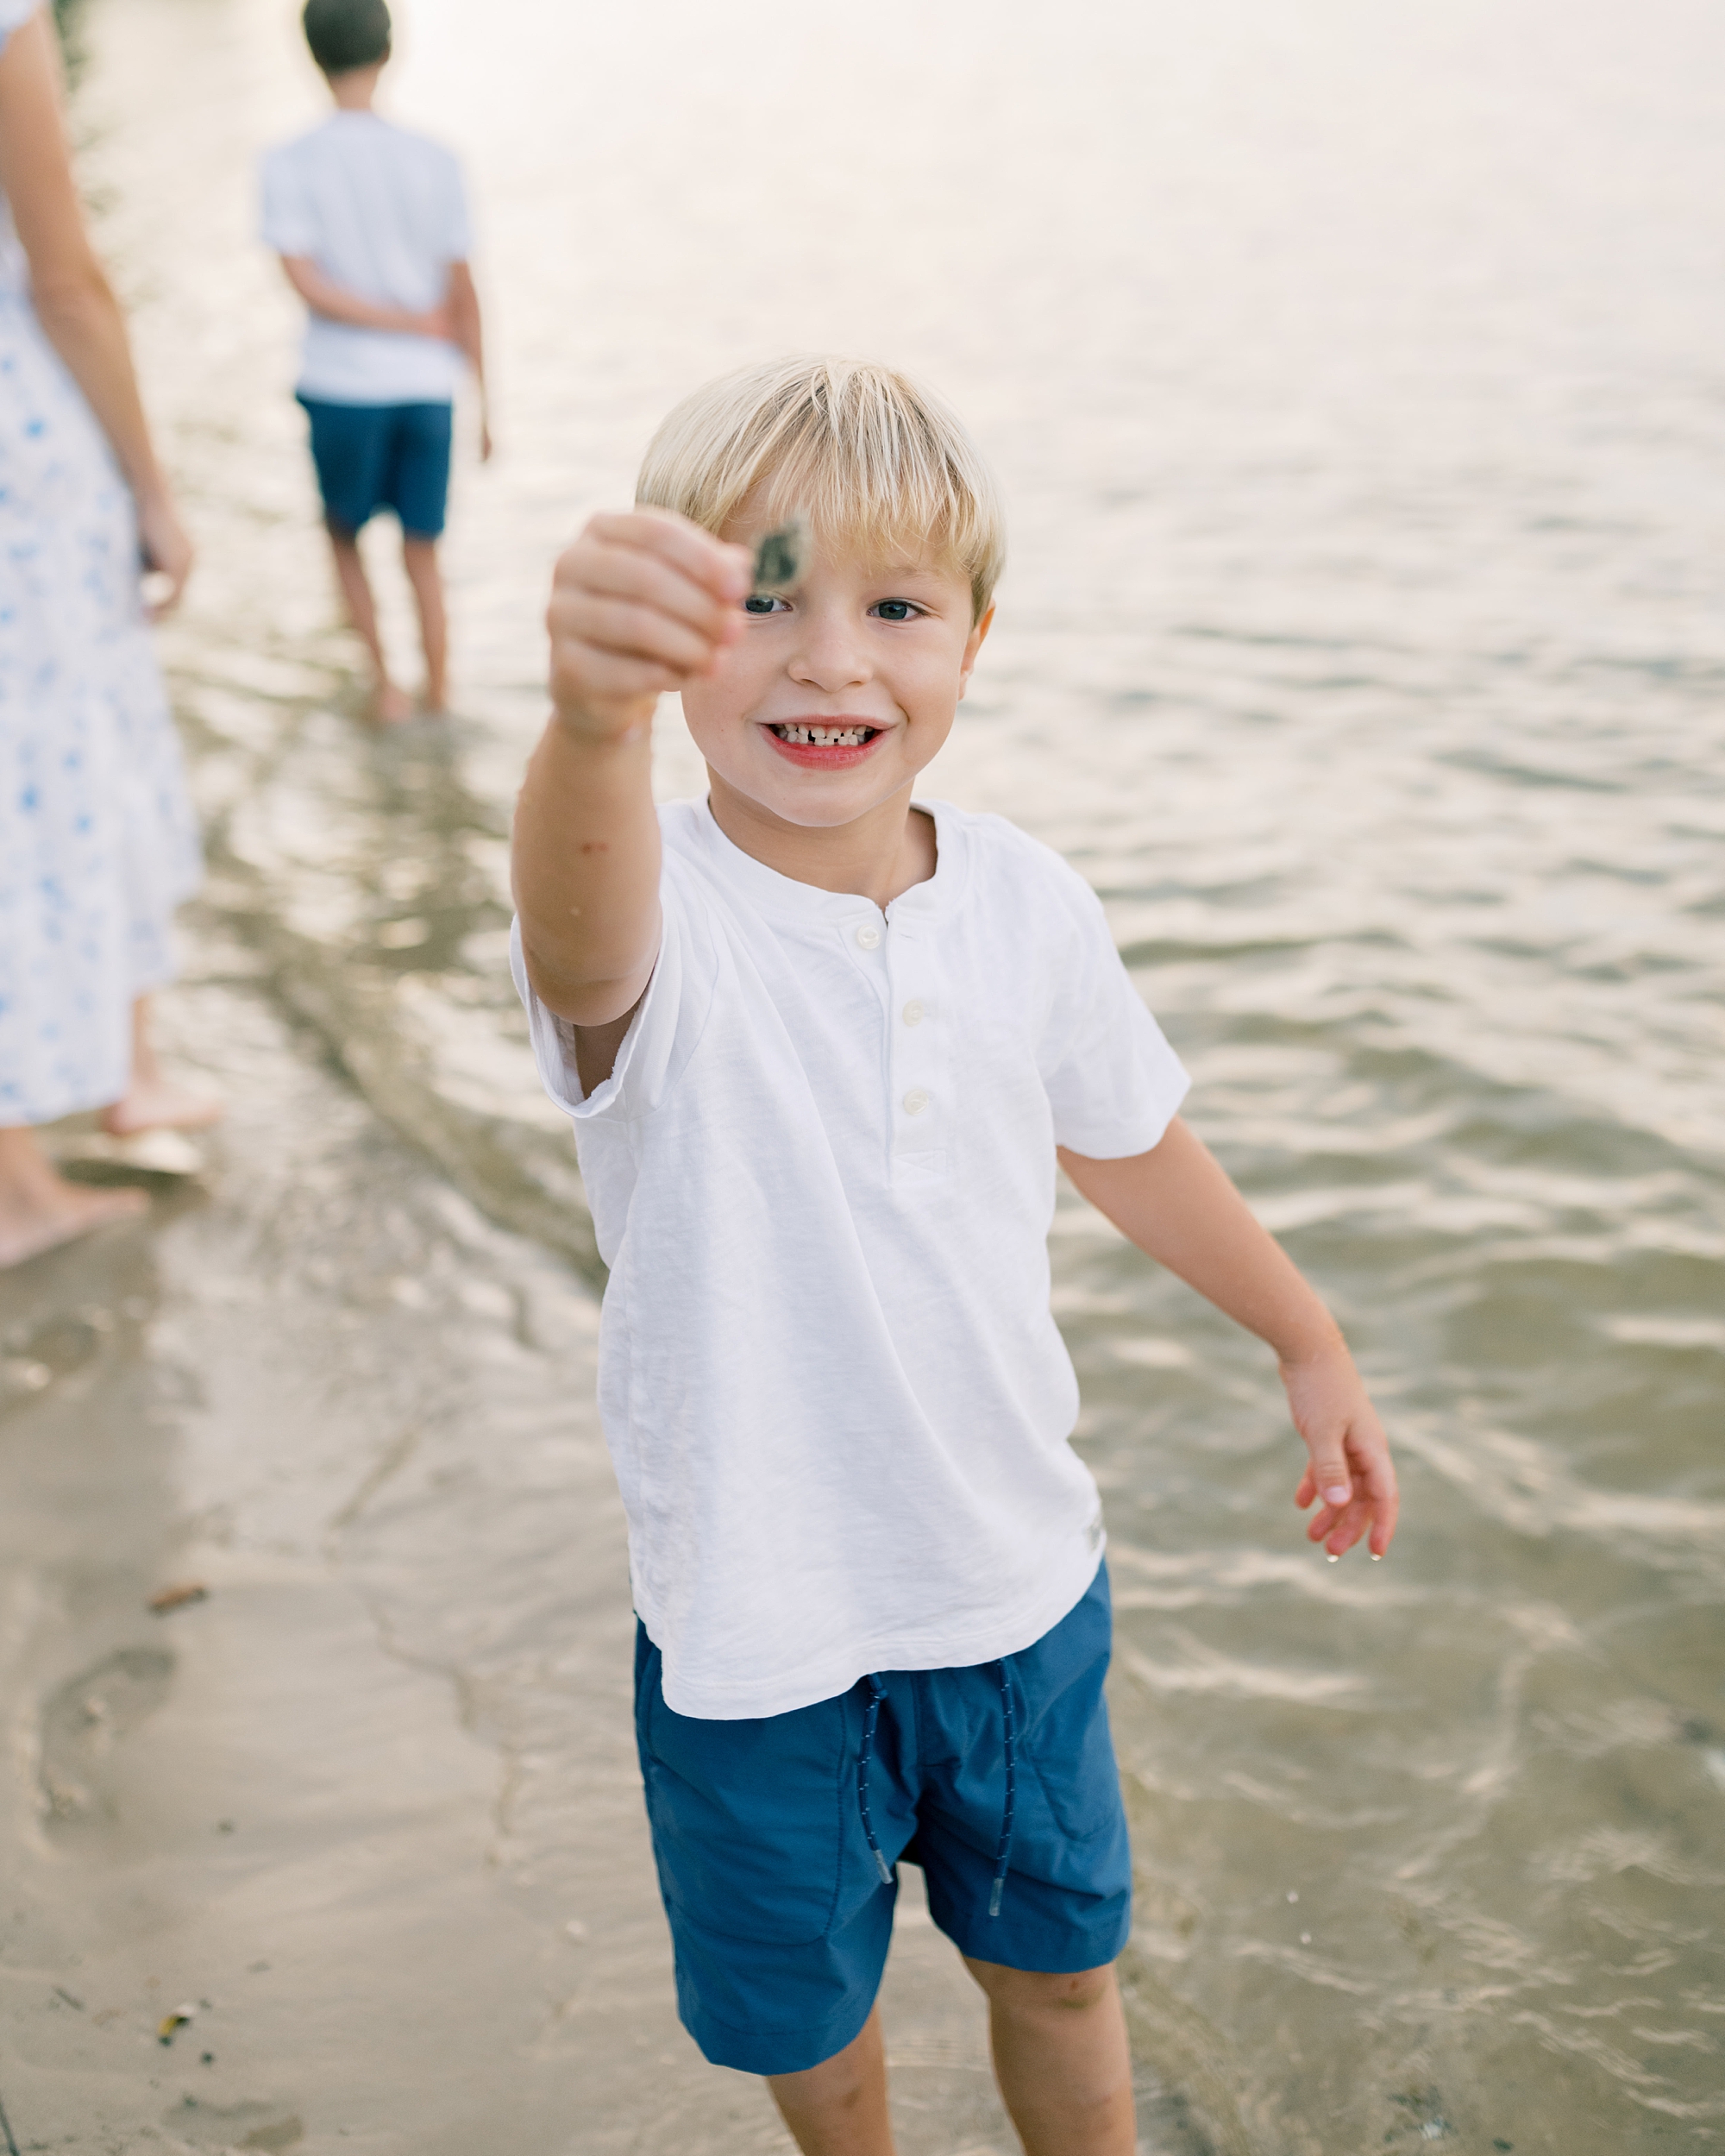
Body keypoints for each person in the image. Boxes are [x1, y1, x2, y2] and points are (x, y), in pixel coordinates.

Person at [510, 356, 1400, 2156]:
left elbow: (1131, 1141)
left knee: (1064, 1972)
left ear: (974, 640)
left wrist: (1304, 1339)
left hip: (1009, 1587)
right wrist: (587, 726)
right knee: (811, 2014)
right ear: (678, 640)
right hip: (759, 1623)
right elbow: (578, 934)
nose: (828, 657)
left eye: (893, 606)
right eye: (759, 599)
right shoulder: (658, 911)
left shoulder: (1023, 900)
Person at [0, 0, 218, 1272]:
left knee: (64, 774)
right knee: (54, 782)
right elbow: (68, 276)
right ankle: (20, 1183)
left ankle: (121, 1066)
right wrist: (153, 485)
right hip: (21, 461)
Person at [260, 0, 490, 725]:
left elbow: (307, 284)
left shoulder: (288, 161)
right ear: (390, 49)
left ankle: (387, 689)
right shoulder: (436, 158)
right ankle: (443, 693)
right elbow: (466, 295)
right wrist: (487, 402)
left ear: (311, 53)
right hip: (428, 387)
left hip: (341, 387)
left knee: (344, 537)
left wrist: (400, 322)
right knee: (424, 552)